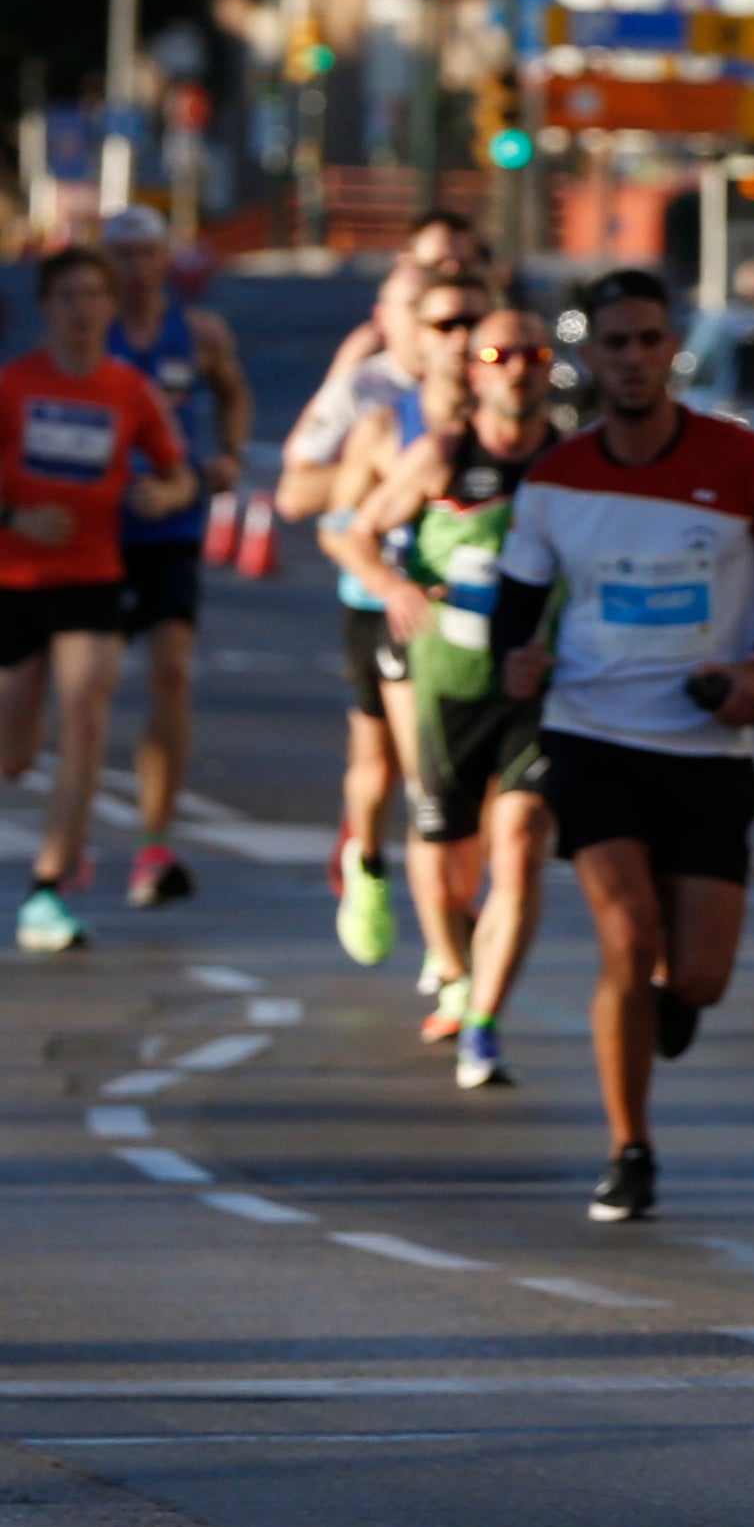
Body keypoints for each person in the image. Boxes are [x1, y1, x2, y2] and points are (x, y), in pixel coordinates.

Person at [491, 270, 754, 1222]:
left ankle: (671, 1000)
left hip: (705, 747)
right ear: (591, 357)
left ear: (672, 348)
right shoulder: (556, 478)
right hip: (592, 735)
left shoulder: (741, 461)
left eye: (649, 340)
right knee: (626, 937)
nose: (634, 359)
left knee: (696, 976)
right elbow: (516, 611)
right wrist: (516, 663)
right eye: (616, 344)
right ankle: (628, 1147)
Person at [330, 293, 562, 1089]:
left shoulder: (575, 462)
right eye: (500, 356)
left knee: (523, 844)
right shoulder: (438, 455)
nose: (519, 370)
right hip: (446, 684)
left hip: (537, 688)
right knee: (441, 847)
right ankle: (459, 973)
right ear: (472, 372)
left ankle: (486, 1020)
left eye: (533, 355)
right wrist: (390, 586)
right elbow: (351, 529)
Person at [285, 221, 478, 972]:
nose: (459, 334)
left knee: (461, 778)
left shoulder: (504, 389)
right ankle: (366, 863)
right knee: (386, 765)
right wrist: (380, 508)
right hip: (379, 606)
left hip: (471, 618)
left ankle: (451, 924)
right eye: (439, 308)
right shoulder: (368, 391)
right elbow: (308, 501)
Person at [0, 248, 195, 951]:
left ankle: (48, 887)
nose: (83, 310)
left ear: (109, 308)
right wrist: (14, 518)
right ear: (47, 307)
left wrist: (163, 493)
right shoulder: (14, 384)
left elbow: (179, 475)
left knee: (85, 715)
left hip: (93, 574)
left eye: (94, 296)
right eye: (69, 297)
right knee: (15, 751)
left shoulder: (129, 389)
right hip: (15, 579)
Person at [95, 206, 249, 909]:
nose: (134, 268)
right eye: (121, 255)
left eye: (146, 253)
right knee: (79, 691)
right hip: (89, 528)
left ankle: (154, 840)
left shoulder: (200, 332)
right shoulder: (86, 328)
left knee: (171, 669)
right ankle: (70, 820)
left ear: (166, 259)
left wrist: (227, 454)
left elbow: (233, 392)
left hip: (171, 523)